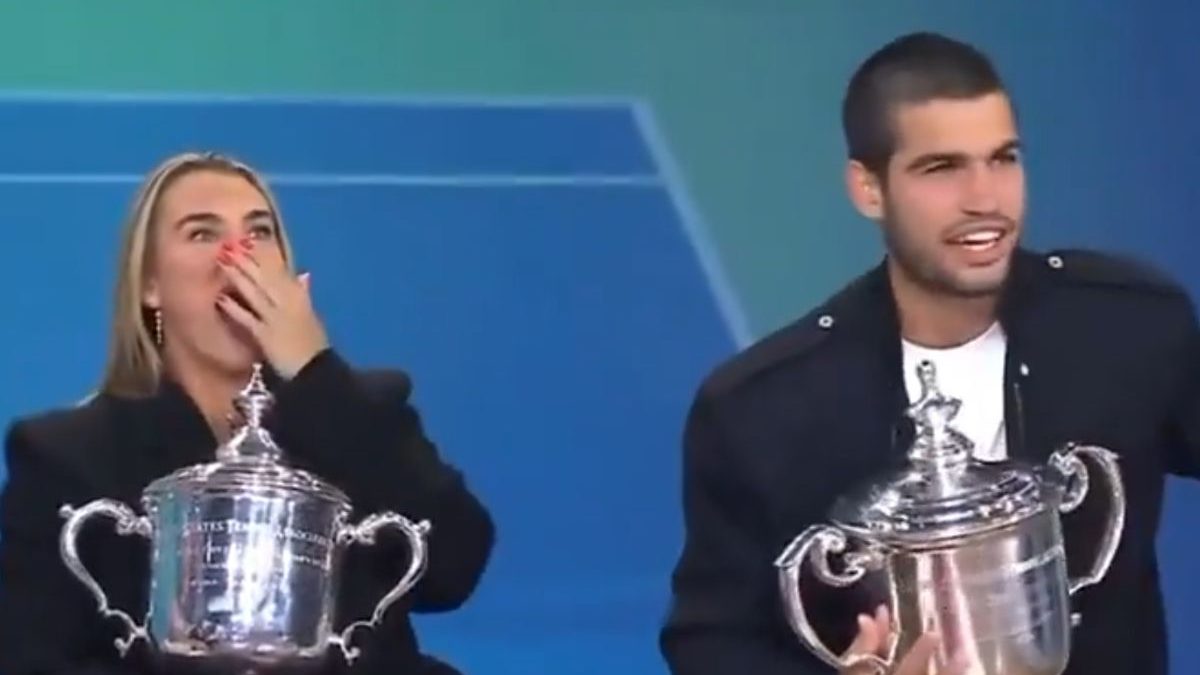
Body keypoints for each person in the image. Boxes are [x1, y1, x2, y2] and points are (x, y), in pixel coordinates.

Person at [660, 31, 1200, 675]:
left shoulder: (1126, 324)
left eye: (1003, 159)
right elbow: (710, 642)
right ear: (868, 188)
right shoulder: (760, 409)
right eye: (941, 168)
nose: (986, 200)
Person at [0, 151, 496, 674]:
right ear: (150, 286)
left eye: (259, 234)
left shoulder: (360, 412)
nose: (238, 256)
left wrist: (313, 370)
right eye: (201, 233)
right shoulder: (65, 455)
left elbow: (454, 571)